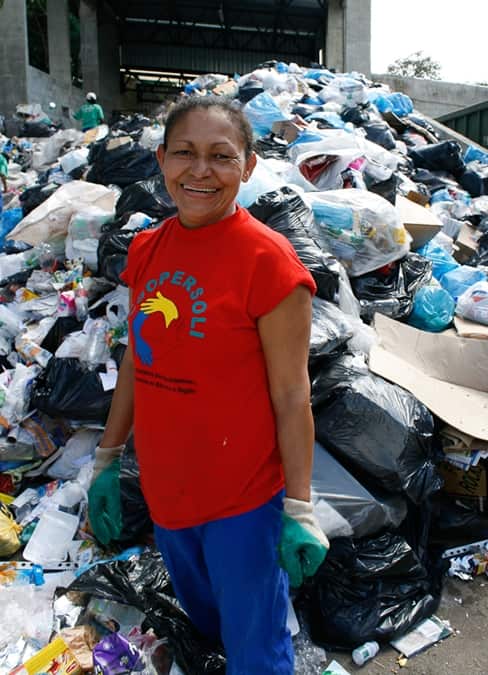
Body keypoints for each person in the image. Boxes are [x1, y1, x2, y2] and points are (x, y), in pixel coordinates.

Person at [88, 96, 328, 674]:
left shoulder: (269, 262)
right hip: (167, 492)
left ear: (247, 166)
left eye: (220, 157)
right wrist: (105, 459)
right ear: (160, 160)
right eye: (184, 154)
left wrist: (299, 505)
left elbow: (293, 395)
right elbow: (136, 362)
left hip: (241, 501)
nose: (200, 171)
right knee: (205, 616)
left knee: (255, 651)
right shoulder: (147, 249)